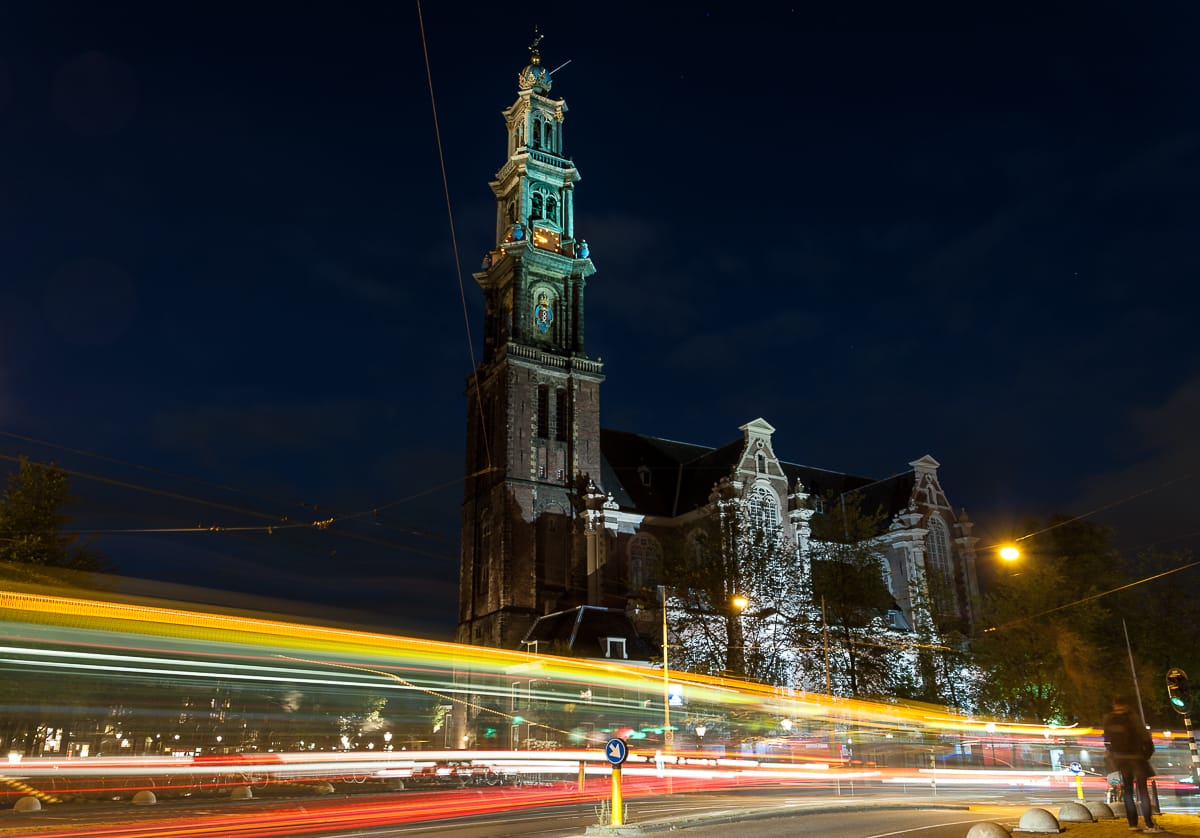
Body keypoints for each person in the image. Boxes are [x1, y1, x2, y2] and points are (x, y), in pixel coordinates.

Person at [1103, 695, 1160, 833]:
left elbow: (1107, 741)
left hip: (1121, 760)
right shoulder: (1132, 717)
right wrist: (1146, 754)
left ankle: (1133, 824)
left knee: (1128, 791)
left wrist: (1115, 757)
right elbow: (1145, 737)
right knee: (1142, 790)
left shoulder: (1109, 719)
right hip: (1137, 758)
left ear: (1114, 705)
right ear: (1127, 705)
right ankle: (1149, 824)